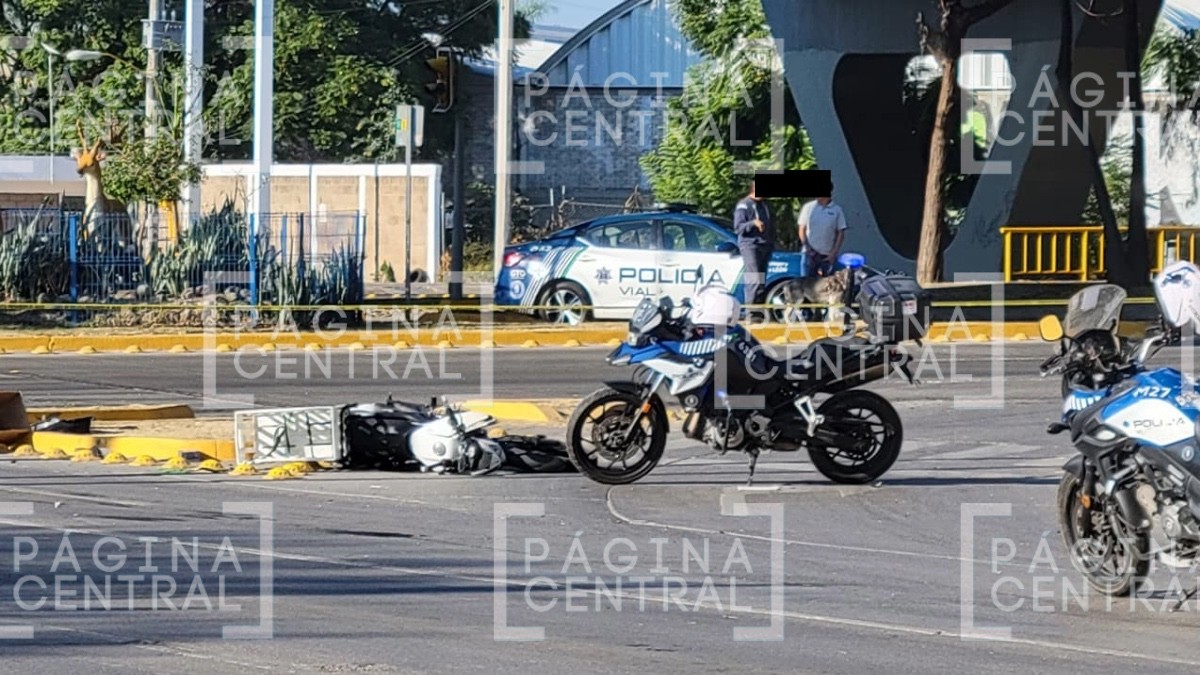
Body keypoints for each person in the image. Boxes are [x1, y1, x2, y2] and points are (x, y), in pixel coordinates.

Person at [732, 179, 775, 315]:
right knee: (754, 278)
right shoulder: (744, 205)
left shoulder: (765, 205)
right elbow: (738, 228)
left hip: (765, 246)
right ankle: (750, 312)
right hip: (750, 245)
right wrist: (753, 223)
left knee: (761, 280)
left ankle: (758, 312)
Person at [797, 187, 847, 279]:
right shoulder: (808, 207)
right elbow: (801, 229)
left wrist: (833, 253)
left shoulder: (837, 210)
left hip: (827, 255)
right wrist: (807, 247)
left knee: (827, 285)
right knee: (806, 284)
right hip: (809, 254)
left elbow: (841, 232)